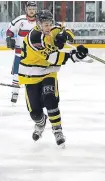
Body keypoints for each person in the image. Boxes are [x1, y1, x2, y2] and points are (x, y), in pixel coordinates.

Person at [18, 10, 88, 147]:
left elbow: (67, 31)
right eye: (45, 25)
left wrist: (65, 36)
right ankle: (40, 122)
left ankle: (57, 130)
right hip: (30, 75)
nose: (48, 27)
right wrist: (74, 56)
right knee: (35, 113)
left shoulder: (51, 28)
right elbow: (54, 58)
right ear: (38, 24)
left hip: (48, 73)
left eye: (50, 23)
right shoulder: (34, 38)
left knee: (50, 99)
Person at [6, 1, 37, 104]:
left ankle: (35, 93)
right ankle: (15, 92)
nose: (31, 11)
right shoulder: (21, 19)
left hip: (34, 54)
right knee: (16, 73)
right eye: (29, 9)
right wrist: (9, 38)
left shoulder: (39, 21)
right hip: (20, 52)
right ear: (26, 10)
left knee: (35, 73)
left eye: (33, 9)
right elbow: (10, 30)